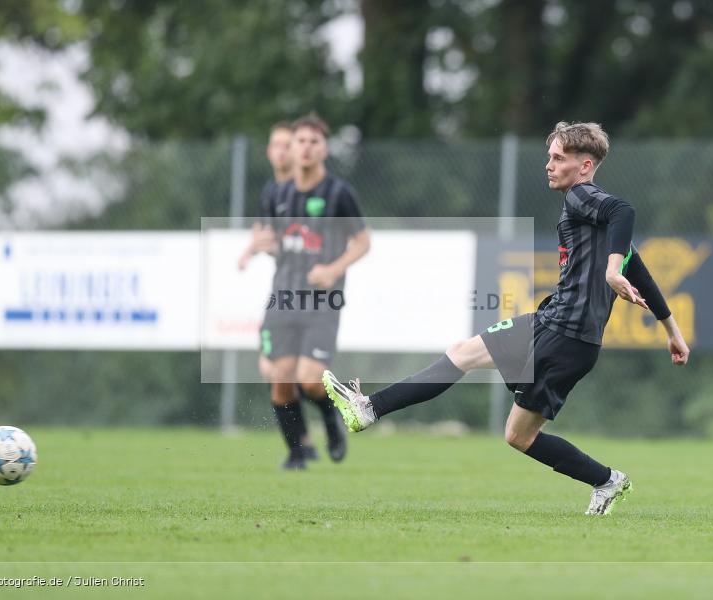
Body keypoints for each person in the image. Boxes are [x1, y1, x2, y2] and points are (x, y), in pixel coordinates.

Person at [323, 121, 690, 514]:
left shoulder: (581, 196)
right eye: (549, 156)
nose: (549, 165)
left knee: (517, 434)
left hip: (567, 337)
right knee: (467, 360)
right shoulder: (601, 221)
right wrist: (673, 331)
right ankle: (368, 408)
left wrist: (612, 271)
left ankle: (607, 480)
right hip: (552, 323)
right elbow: (642, 273)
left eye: (558, 158)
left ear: (585, 166)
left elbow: (624, 210)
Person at [240, 114, 371, 470]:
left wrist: (332, 269)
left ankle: (332, 421)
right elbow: (273, 242)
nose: (306, 148)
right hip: (283, 296)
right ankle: (297, 455)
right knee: (280, 380)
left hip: (322, 301)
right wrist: (262, 246)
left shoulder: (339, 194)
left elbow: (363, 242)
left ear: (324, 149)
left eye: (314, 142)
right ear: (292, 147)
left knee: (311, 381)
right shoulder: (277, 194)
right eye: (300, 141)